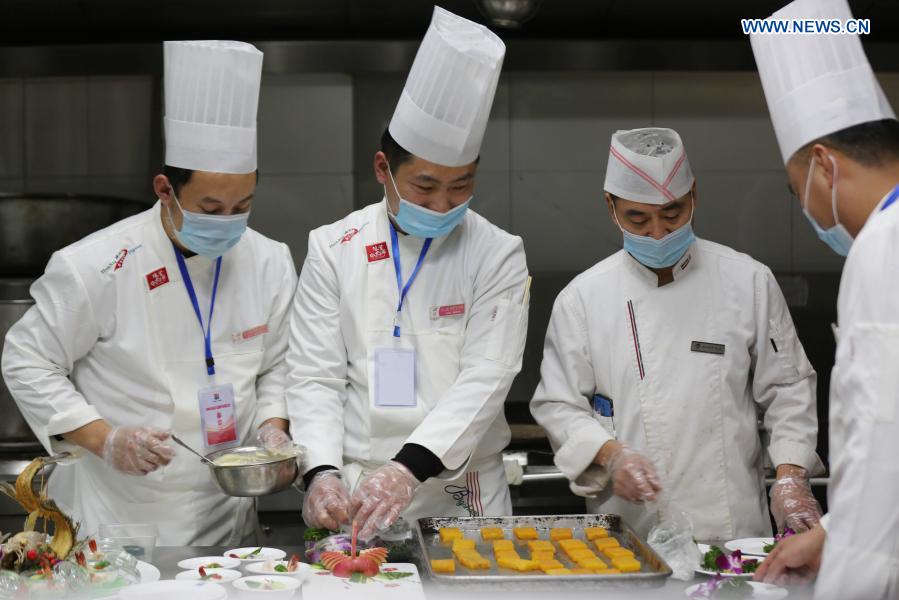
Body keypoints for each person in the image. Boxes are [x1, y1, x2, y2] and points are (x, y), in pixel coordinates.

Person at [1, 40, 298, 546]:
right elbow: (27, 361)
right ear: (165, 189)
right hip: (119, 516)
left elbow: (277, 364)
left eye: (242, 205)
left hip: (228, 515)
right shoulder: (95, 264)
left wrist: (274, 429)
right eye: (210, 207)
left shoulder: (269, 260)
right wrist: (106, 439)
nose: (228, 223)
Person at [287, 6, 529, 541]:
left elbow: (488, 374)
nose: (443, 204)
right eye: (424, 187)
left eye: (461, 186)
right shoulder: (333, 248)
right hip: (357, 489)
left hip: (465, 490)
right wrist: (322, 471)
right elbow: (314, 374)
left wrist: (407, 469)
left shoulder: (497, 252)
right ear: (383, 170)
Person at [530, 126, 824, 540]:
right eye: (638, 218)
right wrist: (611, 456)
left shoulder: (748, 281)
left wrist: (792, 476)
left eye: (673, 213)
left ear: (694, 196)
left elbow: (789, 390)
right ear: (610, 206)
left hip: (733, 531)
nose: (658, 233)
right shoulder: (582, 298)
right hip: (629, 534)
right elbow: (559, 405)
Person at [750, 0, 899, 597]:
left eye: (796, 192)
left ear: (824, 167)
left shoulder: (883, 248)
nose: (808, 209)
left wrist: (845, 577)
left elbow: (882, 441)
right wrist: (833, 532)